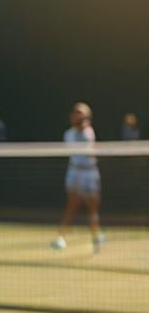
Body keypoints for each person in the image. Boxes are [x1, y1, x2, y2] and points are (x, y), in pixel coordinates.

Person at [52, 101, 105, 252]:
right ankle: (61, 237)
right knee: (72, 204)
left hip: (91, 172)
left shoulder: (89, 132)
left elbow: (86, 135)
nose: (78, 116)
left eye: (81, 113)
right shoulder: (68, 134)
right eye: (76, 113)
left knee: (93, 207)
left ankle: (96, 236)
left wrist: (83, 123)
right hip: (75, 172)